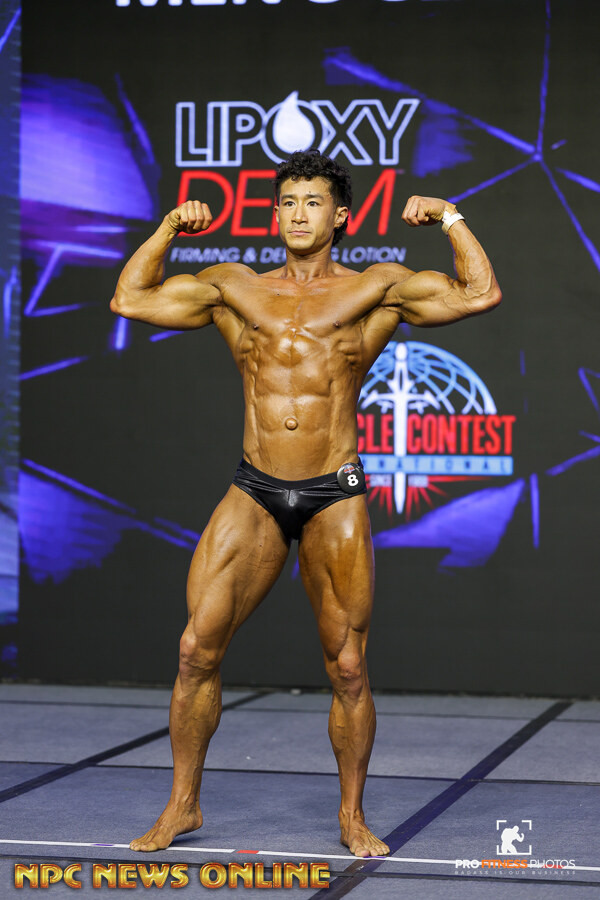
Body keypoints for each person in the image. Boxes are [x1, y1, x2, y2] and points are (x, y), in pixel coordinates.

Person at [110, 150, 501, 858]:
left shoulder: (377, 288)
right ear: (275, 213)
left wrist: (449, 216)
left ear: (340, 215)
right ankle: (182, 805)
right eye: (288, 202)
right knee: (195, 649)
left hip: (332, 493)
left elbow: (479, 294)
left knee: (347, 667)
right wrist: (168, 228)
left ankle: (351, 815)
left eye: (313, 202)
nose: (298, 214)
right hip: (256, 487)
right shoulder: (234, 286)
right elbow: (130, 300)